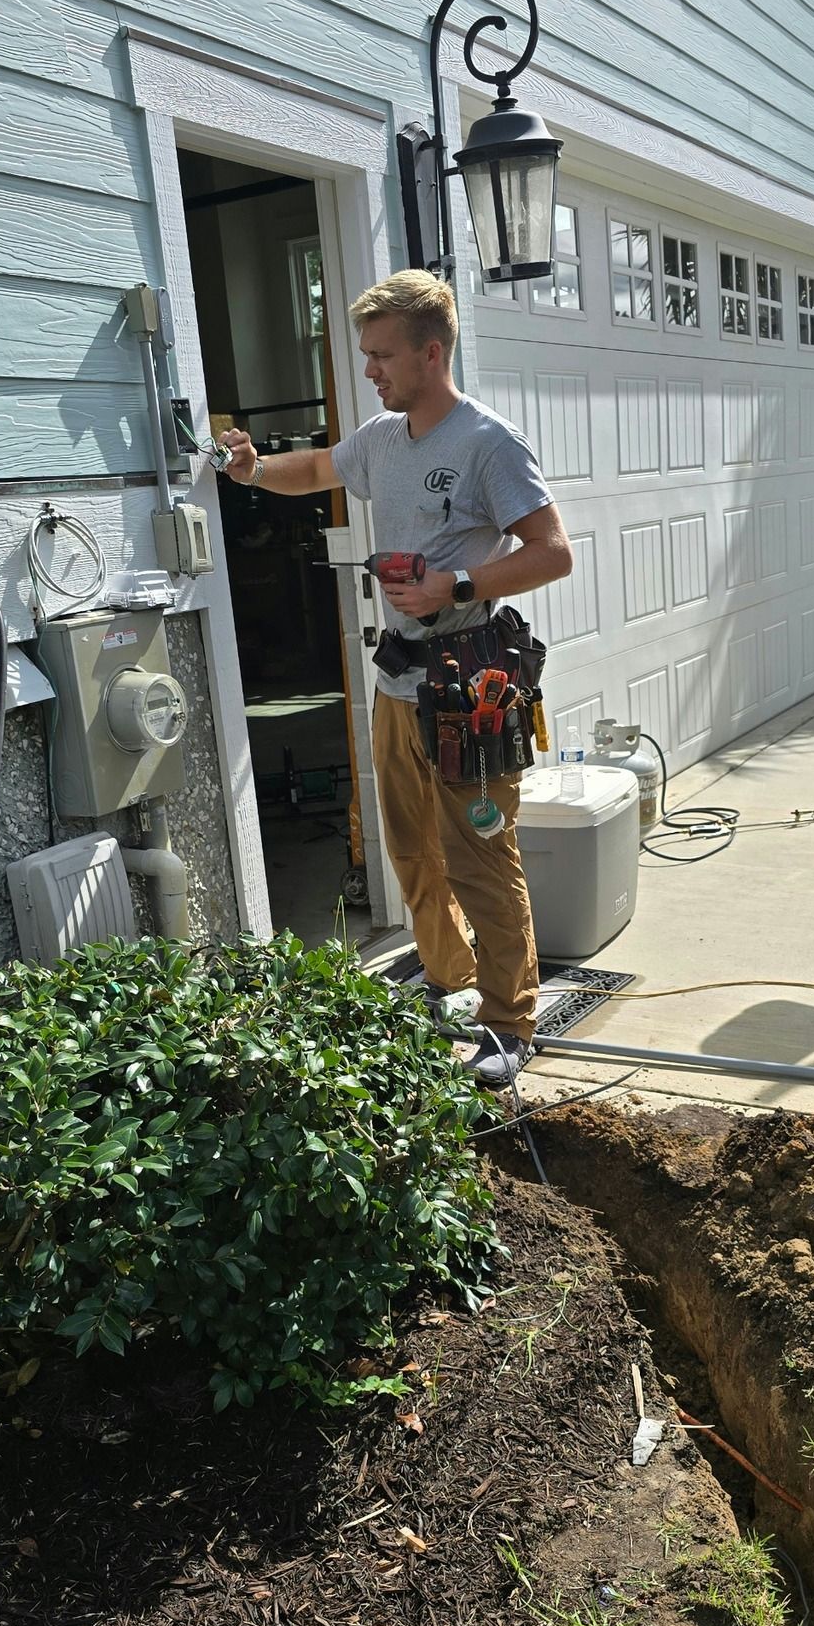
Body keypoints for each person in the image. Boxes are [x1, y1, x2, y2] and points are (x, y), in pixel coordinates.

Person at [221, 269, 573, 1088]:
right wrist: (249, 472)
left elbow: (553, 551)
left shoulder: (487, 442)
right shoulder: (381, 439)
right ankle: (446, 976)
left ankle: (508, 1019)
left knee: (482, 853)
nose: (371, 372)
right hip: (398, 680)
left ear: (431, 351)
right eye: (367, 356)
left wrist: (458, 585)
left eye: (382, 357)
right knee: (411, 850)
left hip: (470, 686)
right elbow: (313, 471)